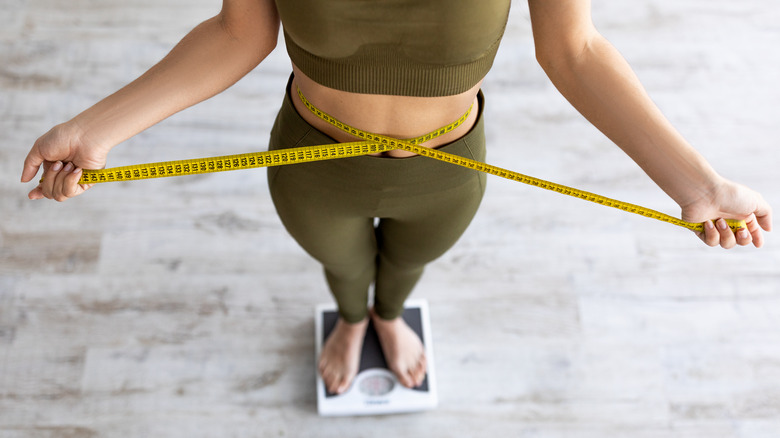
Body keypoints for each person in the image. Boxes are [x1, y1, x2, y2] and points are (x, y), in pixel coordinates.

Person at [21, 0, 772, 396]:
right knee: (341, 266)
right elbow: (237, 33)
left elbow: (573, 50)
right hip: (313, 160)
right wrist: (96, 129)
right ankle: (354, 318)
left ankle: (386, 316)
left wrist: (697, 184)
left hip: (446, 169)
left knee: (410, 265)